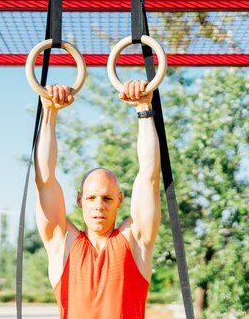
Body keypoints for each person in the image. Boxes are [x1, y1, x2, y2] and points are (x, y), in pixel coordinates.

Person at [34, 79, 161, 319]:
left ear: (119, 200)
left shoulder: (135, 242)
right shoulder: (62, 244)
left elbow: (150, 176)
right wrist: (49, 112)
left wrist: (144, 107)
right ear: (80, 200)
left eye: (107, 198)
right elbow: (45, 181)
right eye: (91, 198)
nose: (98, 206)